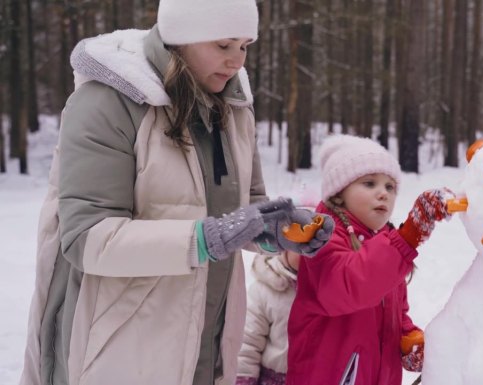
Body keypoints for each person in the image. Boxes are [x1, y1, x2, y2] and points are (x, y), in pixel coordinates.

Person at [18, 1, 333, 385]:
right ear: (183, 37)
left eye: (245, 45)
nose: (237, 60)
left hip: (208, 341)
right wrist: (204, 238)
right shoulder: (109, 102)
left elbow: (244, 207)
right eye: (223, 45)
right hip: (120, 347)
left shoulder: (233, 108)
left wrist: (276, 231)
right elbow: (86, 236)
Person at [286, 134, 456, 385]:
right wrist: (408, 237)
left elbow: (396, 311)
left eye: (390, 187)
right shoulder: (322, 236)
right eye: (369, 184)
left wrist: (407, 339)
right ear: (339, 193)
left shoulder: (385, 242)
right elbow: (348, 286)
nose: (383, 194)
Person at [235, 250, 301, 385]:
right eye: (301, 247)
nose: (311, 253)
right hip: (272, 379)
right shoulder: (265, 289)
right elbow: (247, 343)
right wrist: (243, 379)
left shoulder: (332, 295)